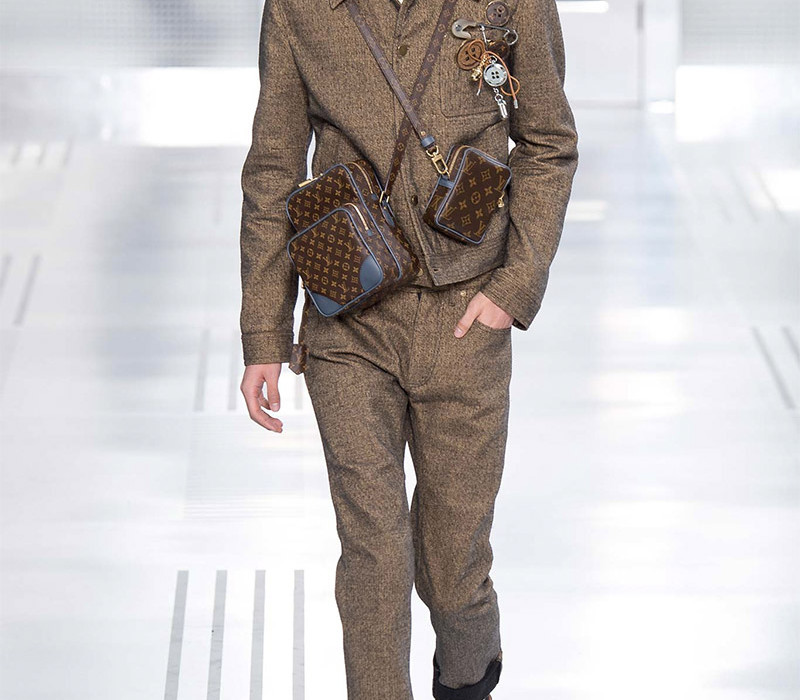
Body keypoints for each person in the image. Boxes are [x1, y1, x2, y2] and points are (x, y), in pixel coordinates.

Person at [238, 0, 578, 698]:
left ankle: (468, 678)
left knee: (453, 567)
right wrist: (264, 334)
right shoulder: (299, 9)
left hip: (466, 316)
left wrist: (513, 288)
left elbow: (548, 142)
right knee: (373, 550)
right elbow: (273, 169)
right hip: (348, 314)